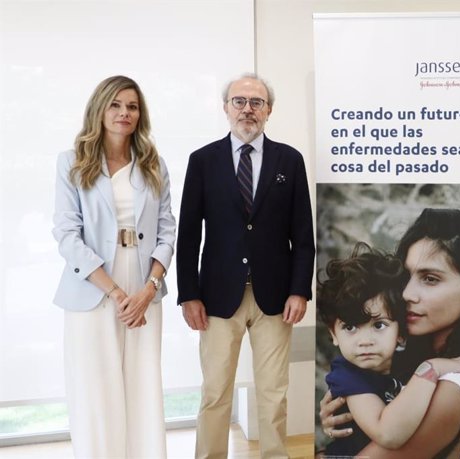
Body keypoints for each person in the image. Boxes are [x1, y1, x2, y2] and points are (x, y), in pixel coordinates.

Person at [176, 73, 315, 459]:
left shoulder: (290, 160)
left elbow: (303, 235)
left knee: (274, 394)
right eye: (239, 101)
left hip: (275, 297)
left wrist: (299, 289)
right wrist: (189, 294)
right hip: (217, 298)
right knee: (216, 393)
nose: (247, 110)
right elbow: (188, 236)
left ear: (269, 110)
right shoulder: (202, 161)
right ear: (225, 108)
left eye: (256, 102)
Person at [52, 75, 176, 458]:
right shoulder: (72, 162)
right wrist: (117, 293)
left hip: (144, 286)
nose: (125, 113)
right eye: (116, 105)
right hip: (95, 286)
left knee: (142, 385)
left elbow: (167, 229)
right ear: (100, 109)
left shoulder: (153, 164)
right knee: (96, 388)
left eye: (132, 106)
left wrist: (148, 289)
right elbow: (67, 234)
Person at [320, 208, 460, 458]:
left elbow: (387, 436)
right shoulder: (400, 365)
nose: (407, 294)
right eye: (407, 276)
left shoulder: (452, 387)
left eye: (430, 279)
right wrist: (348, 420)